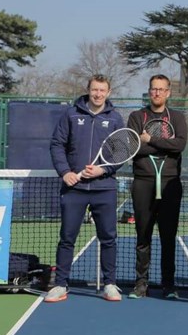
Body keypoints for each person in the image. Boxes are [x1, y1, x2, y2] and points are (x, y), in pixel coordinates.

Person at [45, 75, 127, 303]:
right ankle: (60, 284)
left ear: (108, 92)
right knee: (67, 238)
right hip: (75, 188)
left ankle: (110, 284)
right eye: (94, 90)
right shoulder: (71, 114)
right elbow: (57, 144)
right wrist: (65, 172)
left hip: (105, 189)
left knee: (108, 238)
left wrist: (104, 170)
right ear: (88, 90)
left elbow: (121, 153)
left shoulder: (115, 119)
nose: (98, 94)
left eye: (102, 90)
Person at [126, 74, 188, 299]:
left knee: (168, 236)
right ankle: (141, 284)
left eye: (162, 89)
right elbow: (133, 147)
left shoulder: (178, 117)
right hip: (143, 182)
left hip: (170, 183)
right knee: (143, 235)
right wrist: (163, 146)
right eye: (154, 89)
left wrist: (150, 140)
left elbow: (179, 144)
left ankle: (168, 285)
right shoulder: (136, 116)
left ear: (168, 92)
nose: (157, 93)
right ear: (149, 91)